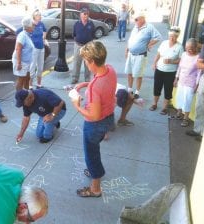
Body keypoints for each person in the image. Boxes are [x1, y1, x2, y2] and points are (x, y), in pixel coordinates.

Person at [70, 41, 117, 197]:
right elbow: (103, 84)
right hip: (109, 118)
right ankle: (93, 171)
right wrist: (87, 83)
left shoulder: (95, 87)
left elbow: (94, 116)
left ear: (91, 62)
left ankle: (95, 188)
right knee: (95, 148)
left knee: (91, 154)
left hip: (95, 124)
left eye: (85, 60)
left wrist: (77, 105)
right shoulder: (110, 70)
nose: (85, 63)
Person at [125, 11, 161, 99]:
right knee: (129, 72)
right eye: (134, 19)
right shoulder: (136, 26)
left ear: (142, 19)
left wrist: (150, 43)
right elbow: (131, 39)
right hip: (131, 54)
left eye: (136, 19)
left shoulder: (149, 27)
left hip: (140, 55)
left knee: (138, 74)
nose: (135, 21)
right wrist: (127, 49)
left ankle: (137, 91)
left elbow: (158, 37)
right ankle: (130, 90)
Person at [149, 26, 183, 115]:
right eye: (170, 36)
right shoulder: (164, 43)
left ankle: (164, 108)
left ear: (177, 37)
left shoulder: (179, 47)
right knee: (157, 87)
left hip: (171, 72)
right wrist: (154, 63)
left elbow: (181, 60)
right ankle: (154, 104)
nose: (172, 38)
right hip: (159, 69)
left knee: (168, 90)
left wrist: (171, 61)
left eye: (174, 36)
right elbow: (158, 54)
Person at [173, 38, 200, 127]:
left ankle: (186, 118)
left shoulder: (198, 57)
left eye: (191, 48)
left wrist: (197, 84)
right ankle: (179, 113)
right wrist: (176, 78)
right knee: (179, 97)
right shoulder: (184, 54)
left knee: (187, 100)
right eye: (187, 48)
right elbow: (180, 67)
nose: (188, 50)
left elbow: (199, 72)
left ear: (196, 48)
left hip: (191, 82)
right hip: (181, 80)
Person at [71, 8, 95, 84]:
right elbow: (74, 34)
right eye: (84, 14)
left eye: (87, 14)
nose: (86, 15)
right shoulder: (77, 24)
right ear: (80, 15)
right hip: (78, 45)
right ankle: (75, 78)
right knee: (76, 62)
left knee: (88, 62)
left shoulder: (91, 23)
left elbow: (93, 34)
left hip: (88, 46)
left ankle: (87, 79)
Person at [12, 16, 34, 90]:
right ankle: (19, 98)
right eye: (32, 25)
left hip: (26, 62)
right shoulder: (22, 35)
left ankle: (26, 94)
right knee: (21, 80)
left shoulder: (27, 35)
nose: (34, 26)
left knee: (27, 78)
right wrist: (19, 63)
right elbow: (18, 49)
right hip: (22, 61)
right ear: (28, 26)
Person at [29, 9, 47, 89]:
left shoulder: (41, 24)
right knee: (32, 67)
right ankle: (30, 84)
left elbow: (45, 30)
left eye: (40, 15)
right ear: (34, 16)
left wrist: (44, 37)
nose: (39, 16)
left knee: (40, 67)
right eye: (38, 15)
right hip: (34, 49)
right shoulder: (31, 25)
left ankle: (39, 83)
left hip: (41, 48)